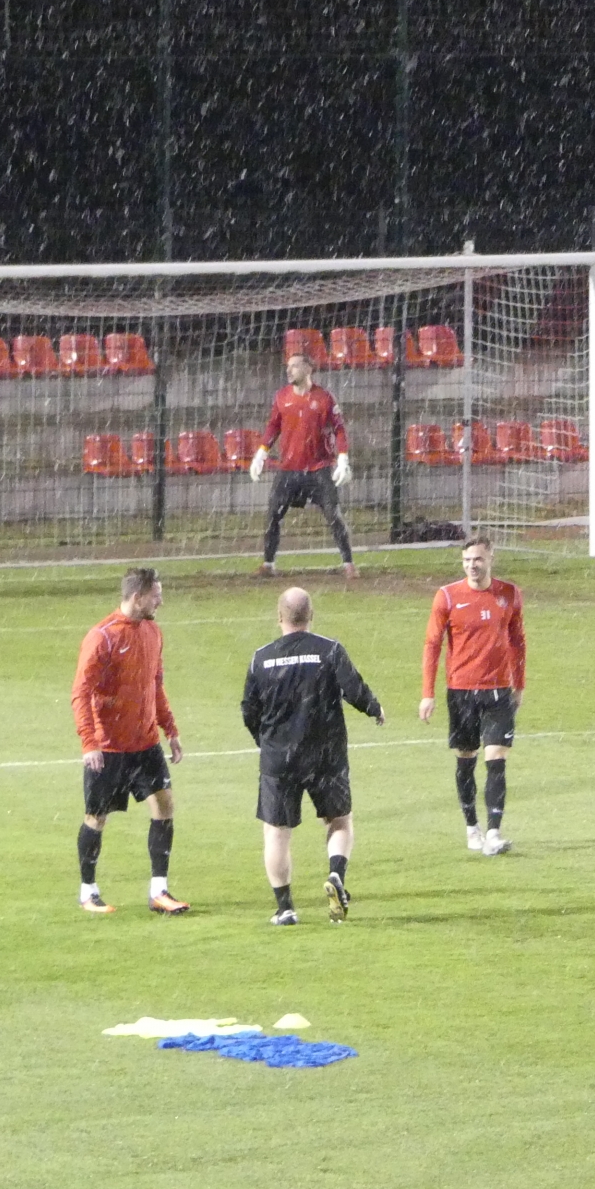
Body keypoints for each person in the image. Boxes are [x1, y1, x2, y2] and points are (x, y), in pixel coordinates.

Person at [242, 587, 385, 924]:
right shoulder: (329, 650)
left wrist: (266, 741)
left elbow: (249, 710)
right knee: (339, 820)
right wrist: (374, 708)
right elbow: (353, 689)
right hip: (325, 754)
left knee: (277, 833)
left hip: (279, 759)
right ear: (311, 616)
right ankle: (336, 874)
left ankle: (285, 908)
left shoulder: (261, 658)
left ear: (279, 617)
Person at [71, 567, 188, 916]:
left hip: (145, 744)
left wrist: (170, 729)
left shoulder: (153, 632)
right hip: (108, 748)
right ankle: (88, 891)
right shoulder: (102, 637)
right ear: (137, 597)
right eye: (156, 596)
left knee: (164, 806)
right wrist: (89, 742)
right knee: (96, 817)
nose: (161, 601)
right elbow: (80, 693)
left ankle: (159, 891)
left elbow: (155, 685)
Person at [421, 535, 526, 856]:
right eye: (467, 560)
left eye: (478, 559)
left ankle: (494, 833)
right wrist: (428, 693)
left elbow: (518, 641)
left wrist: (519, 684)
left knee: (497, 760)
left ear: (491, 558)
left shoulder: (509, 594)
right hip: (461, 692)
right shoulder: (447, 597)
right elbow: (432, 645)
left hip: (498, 691)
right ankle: (472, 828)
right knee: (466, 761)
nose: (472, 566)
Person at [251, 351, 357, 580]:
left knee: (334, 515)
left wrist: (343, 459)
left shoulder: (324, 398)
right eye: (288, 366)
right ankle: (268, 564)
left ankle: (348, 563)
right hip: (289, 469)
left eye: (295, 366)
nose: (289, 370)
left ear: (309, 369)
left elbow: (339, 429)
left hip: (318, 469)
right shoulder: (282, 397)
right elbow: (273, 426)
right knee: (273, 514)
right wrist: (261, 453)